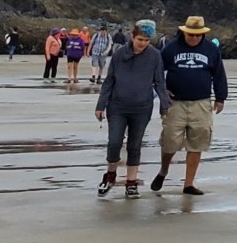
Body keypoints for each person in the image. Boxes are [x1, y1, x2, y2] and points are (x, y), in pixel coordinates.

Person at [152, 16, 227, 196]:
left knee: (197, 143)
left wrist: (220, 97)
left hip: (201, 103)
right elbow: (156, 71)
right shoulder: (171, 48)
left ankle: (188, 184)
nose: (194, 38)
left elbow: (219, 74)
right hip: (175, 103)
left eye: (198, 35)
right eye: (191, 35)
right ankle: (163, 171)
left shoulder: (211, 49)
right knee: (170, 142)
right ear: (184, 32)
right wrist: (162, 90)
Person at [95, 20, 168, 199]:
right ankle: (110, 175)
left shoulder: (155, 55)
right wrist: (100, 105)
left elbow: (159, 82)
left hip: (142, 108)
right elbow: (109, 80)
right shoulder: (120, 54)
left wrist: (164, 106)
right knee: (114, 143)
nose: (143, 44)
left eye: (146, 40)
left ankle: (131, 182)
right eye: (140, 39)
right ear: (132, 37)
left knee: (135, 145)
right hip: (117, 106)